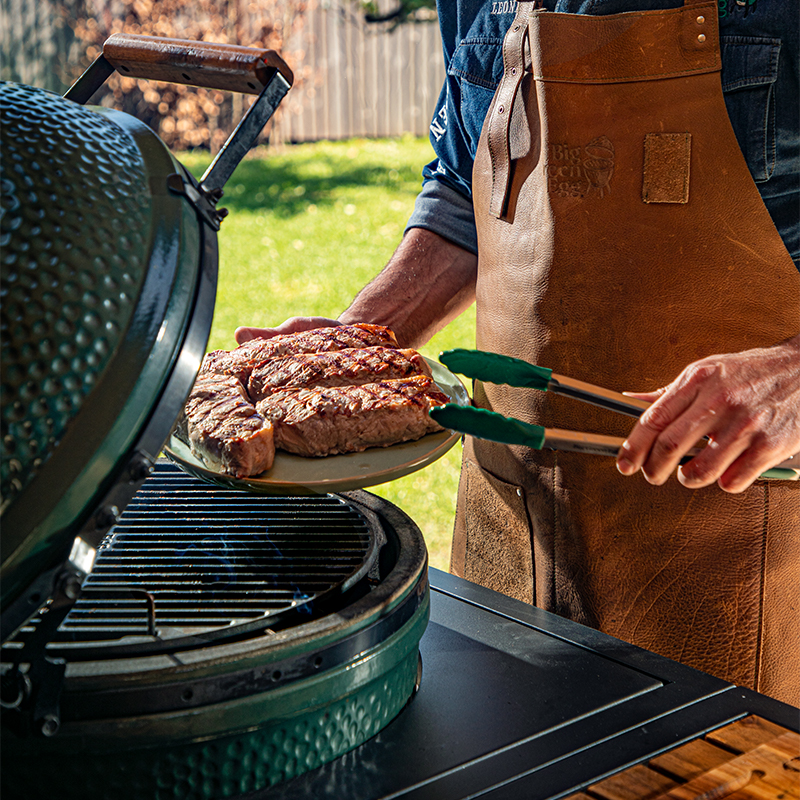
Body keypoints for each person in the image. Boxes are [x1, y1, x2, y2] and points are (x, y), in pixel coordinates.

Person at [236, 0, 800, 704]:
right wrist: (355, 351)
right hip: (511, 522)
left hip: (736, 536)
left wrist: (791, 380)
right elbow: (463, 192)